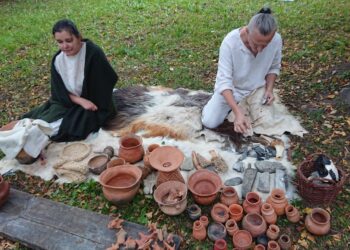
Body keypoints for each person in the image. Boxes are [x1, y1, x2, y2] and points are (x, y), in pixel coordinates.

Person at [0, 19, 118, 160]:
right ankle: (18, 132)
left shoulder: (93, 54)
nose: (65, 46)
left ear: (78, 37)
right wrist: (79, 100)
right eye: (60, 42)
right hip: (67, 101)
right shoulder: (58, 60)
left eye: (69, 40)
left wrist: (86, 102)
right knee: (42, 118)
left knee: (64, 127)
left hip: (95, 104)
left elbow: (104, 85)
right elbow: (58, 92)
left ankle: (30, 139)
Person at [201, 7, 282, 134]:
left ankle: (247, 108)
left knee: (268, 126)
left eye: (265, 45)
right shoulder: (230, 42)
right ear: (247, 31)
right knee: (209, 122)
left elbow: (274, 67)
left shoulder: (276, 40)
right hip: (233, 90)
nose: (260, 49)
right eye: (255, 44)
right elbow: (224, 81)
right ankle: (232, 107)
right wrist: (237, 112)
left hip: (257, 90)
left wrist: (269, 89)